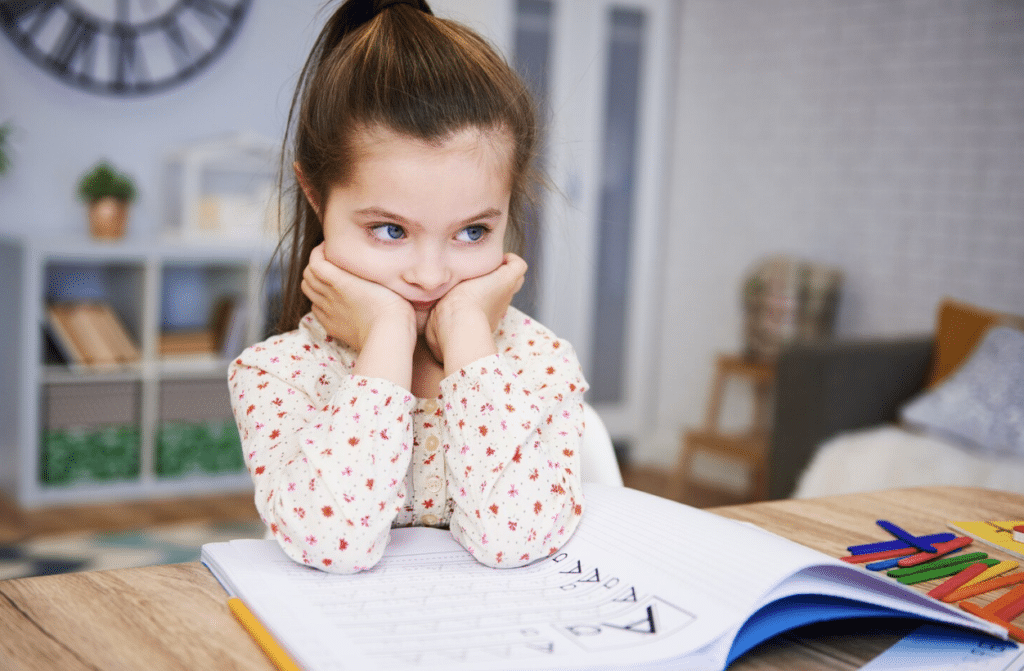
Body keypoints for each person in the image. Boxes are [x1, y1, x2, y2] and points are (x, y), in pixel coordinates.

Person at [228, 0, 587, 574]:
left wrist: (468, 333)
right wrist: (387, 337)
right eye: (390, 230)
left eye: (473, 231)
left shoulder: (537, 362)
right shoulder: (280, 374)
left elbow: (517, 540)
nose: (431, 275)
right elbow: (330, 545)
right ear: (316, 197)